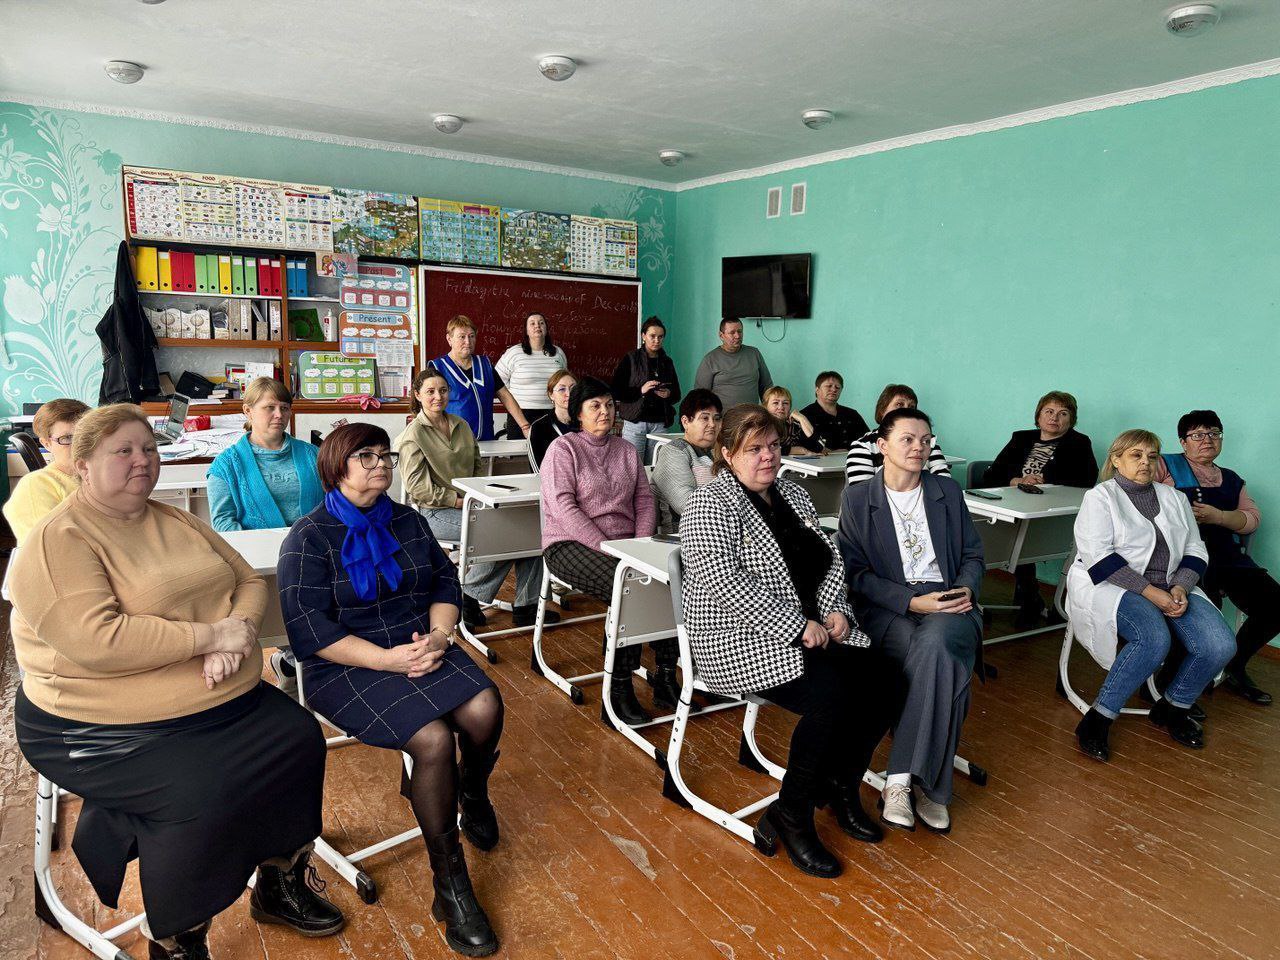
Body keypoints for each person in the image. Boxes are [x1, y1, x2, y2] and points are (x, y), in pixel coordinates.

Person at [10, 404, 343, 959]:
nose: (142, 460)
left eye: (149, 448)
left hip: (216, 699)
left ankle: (278, 881)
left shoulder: (174, 519)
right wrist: (208, 637)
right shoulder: (58, 539)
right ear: (83, 465)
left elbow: (246, 579)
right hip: (95, 721)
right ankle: (179, 938)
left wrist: (235, 633)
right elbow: (99, 640)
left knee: (299, 739)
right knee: (199, 792)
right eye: (123, 451)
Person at [278, 423, 503, 957]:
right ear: (336, 467)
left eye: (386, 456)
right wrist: (386, 659)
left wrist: (440, 637)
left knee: (484, 707)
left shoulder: (408, 520)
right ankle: (450, 884)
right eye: (367, 456)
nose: (381, 464)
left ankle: (472, 791)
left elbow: (444, 584)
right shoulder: (308, 537)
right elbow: (309, 630)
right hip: (346, 665)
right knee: (432, 739)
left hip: (419, 644)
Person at [680, 404, 905, 878]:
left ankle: (840, 786)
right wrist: (796, 625)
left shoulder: (794, 495)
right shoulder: (708, 504)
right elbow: (724, 584)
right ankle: (794, 811)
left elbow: (829, 562)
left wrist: (835, 610)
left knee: (887, 678)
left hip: (811, 630)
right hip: (737, 639)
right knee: (831, 696)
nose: (768, 456)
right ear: (727, 454)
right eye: (754, 449)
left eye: (773, 446)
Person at [838, 407, 984, 834]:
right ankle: (933, 787)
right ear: (882, 446)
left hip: (948, 598)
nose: (919, 447)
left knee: (937, 645)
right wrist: (911, 603)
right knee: (937, 661)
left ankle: (899, 779)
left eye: (925, 440)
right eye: (907, 439)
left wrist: (966, 590)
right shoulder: (858, 498)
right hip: (891, 605)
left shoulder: (946, 491)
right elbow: (856, 574)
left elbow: (973, 555)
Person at [1068, 430, 1237, 761]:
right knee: (1153, 639)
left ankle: (1173, 707)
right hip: (1114, 585)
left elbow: (1195, 548)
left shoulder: (1174, 498)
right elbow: (1099, 558)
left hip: (1172, 585)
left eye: (1152, 456)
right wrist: (1152, 593)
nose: (1145, 462)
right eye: (1136, 455)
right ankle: (1097, 719)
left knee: (1220, 645)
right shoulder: (1100, 497)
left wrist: (1181, 586)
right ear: (1116, 460)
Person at [541, 377, 681, 717]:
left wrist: (640, 545)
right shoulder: (563, 449)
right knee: (630, 586)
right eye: (595, 406)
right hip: (570, 544)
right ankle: (617, 688)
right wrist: (607, 547)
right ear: (578, 413)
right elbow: (564, 508)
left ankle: (666, 675)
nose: (605, 411)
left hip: (627, 545)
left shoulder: (627, 450)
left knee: (673, 579)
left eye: (608, 405)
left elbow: (644, 501)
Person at [394, 368, 558, 629]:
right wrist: (458, 501)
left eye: (443, 390)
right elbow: (418, 489)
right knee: (506, 535)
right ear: (417, 395)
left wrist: (477, 492)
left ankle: (526, 607)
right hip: (435, 512)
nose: (438, 396)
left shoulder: (460, 424)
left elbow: (478, 464)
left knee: (531, 531)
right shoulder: (412, 435)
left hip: (472, 503)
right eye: (430, 391)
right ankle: (467, 596)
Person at [206, 377, 323, 697]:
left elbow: (333, 505)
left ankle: (295, 665)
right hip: (263, 567)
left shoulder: (312, 455)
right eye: (269, 407)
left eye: (284, 407)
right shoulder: (226, 464)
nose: (279, 415)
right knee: (285, 622)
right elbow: (223, 524)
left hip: (314, 558)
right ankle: (292, 661)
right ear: (248, 411)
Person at [1155, 410, 1277, 705]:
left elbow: (1251, 520)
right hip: (1180, 560)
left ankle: (1234, 665)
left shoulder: (1232, 479)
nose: (1207, 440)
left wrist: (1219, 516)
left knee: (1275, 605)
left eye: (1213, 433)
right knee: (1201, 615)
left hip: (1227, 558)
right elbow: (1135, 496)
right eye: (1197, 435)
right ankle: (1171, 685)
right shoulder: (1164, 464)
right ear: (1183, 442)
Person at [982, 390, 1098, 629]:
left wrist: (1045, 479)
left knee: (1024, 538)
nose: (1054, 418)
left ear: (1071, 419)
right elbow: (992, 474)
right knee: (1009, 536)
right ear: (1039, 415)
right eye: (1049, 411)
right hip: (1011, 506)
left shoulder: (1079, 442)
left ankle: (1031, 597)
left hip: (1047, 511)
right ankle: (1030, 596)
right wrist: (1017, 480)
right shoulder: (1021, 438)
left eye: (1062, 413)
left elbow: (1087, 478)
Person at [2, 397, 89, 545]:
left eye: (86, 436)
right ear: (46, 443)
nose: (79, 446)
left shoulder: (102, 478)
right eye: (67, 438)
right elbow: (52, 548)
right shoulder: (34, 486)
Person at [432, 315, 531, 441]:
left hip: (486, 439)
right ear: (449, 339)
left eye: (471, 336)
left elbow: (505, 396)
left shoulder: (485, 365)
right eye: (462, 337)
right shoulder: (437, 367)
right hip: (452, 442)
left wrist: (525, 426)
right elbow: (428, 405)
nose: (468, 342)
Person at [845, 384, 952, 485]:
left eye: (911, 407)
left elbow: (945, 485)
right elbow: (862, 493)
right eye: (899, 404)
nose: (906, 410)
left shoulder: (927, 442)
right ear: (882, 410)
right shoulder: (863, 446)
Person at [611, 316, 681, 464]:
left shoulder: (667, 362)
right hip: (635, 422)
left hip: (660, 423)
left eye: (660, 337)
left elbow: (677, 394)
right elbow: (616, 391)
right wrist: (640, 390)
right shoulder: (631, 358)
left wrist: (668, 394)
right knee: (633, 466)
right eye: (652, 336)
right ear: (643, 336)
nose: (656, 340)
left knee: (657, 467)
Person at [651, 388, 722, 533]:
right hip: (684, 535)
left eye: (717, 418)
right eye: (705, 418)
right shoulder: (674, 451)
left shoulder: (719, 453)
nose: (712, 424)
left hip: (720, 529)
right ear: (685, 421)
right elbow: (687, 504)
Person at [494, 313, 568, 441]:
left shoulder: (558, 353)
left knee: (550, 450)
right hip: (520, 414)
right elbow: (497, 382)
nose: (537, 326)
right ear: (526, 331)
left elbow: (565, 383)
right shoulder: (514, 353)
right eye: (532, 323)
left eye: (541, 323)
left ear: (546, 329)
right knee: (519, 451)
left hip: (552, 413)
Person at [693, 318, 773, 410]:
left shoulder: (754, 353)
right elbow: (700, 396)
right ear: (721, 335)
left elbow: (767, 387)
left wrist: (769, 411)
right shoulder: (710, 359)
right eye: (732, 332)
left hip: (752, 415)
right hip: (723, 417)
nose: (737, 336)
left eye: (740, 331)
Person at [799, 371, 868, 452]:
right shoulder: (804, 415)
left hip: (853, 457)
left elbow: (868, 440)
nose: (834, 389)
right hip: (819, 459)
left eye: (837, 387)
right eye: (829, 386)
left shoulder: (852, 414)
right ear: (817, 390)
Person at [528, 369, 578, 469]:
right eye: (562, 389)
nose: (569, 393)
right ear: (551, 395)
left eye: (573, 388)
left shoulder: (587, 422)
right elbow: (537, 468)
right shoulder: (539, 427)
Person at [762, 386, 823, 455]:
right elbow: (767, 449)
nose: (781, 407)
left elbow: (819, 447)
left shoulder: (793, 425)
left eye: (785, 403)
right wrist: (802, 450)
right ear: (765, 406)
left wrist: (802, 419)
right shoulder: (760, 425)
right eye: (775, 403)